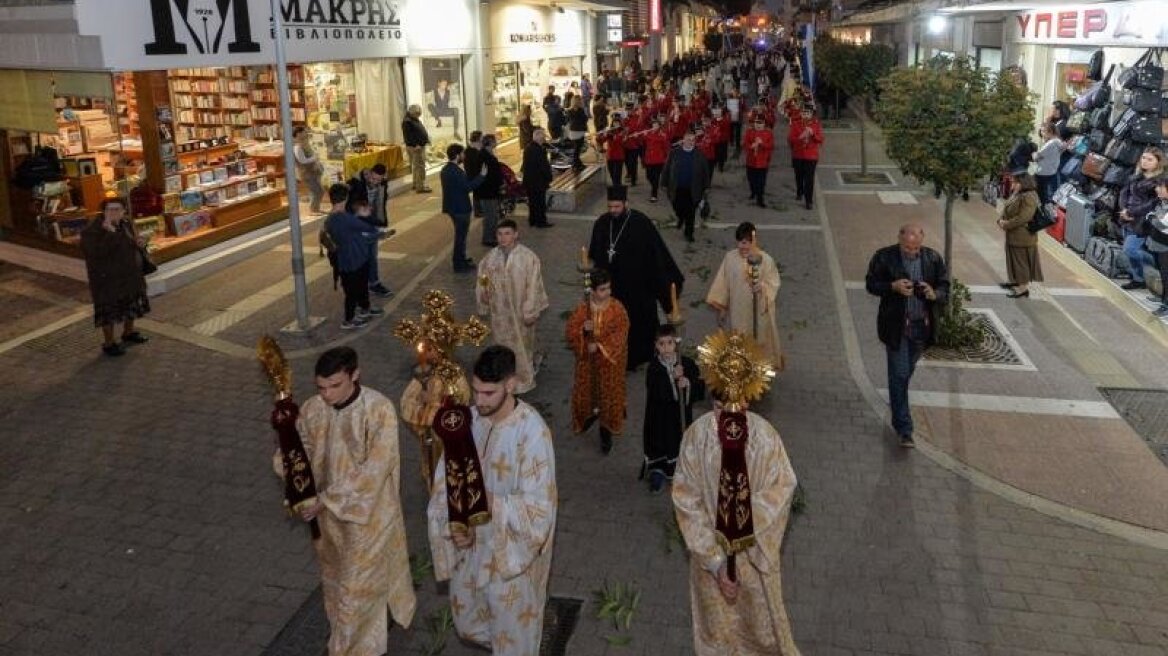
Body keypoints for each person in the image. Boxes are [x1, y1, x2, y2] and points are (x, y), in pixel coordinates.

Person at [277, 346, 416, 654]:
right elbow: (300, 455)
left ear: (355, 375)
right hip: (328, 522)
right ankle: (354, 642)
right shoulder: (313, 408)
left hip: (370, 519)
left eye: (334, 386)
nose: (326, 394)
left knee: (356, 592)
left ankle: (348, 650)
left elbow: (375, 470)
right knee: (338, 587)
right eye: (321, 387)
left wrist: (324, 499)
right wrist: (292, 465)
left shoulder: (378, 409)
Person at [427, 345, 557, 655]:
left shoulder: (532, 432)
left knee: (514, 640)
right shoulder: (468, 422)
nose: (478, 401)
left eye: (488, 393)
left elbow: (539, 509)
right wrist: (455, 523)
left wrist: (489, 501)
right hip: (472, 549)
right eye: (475, 391)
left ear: (511, 384)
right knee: (468, 624)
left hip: (510, 558)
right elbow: (445, 480)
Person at [671, 393, 801, 656]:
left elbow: (783, 487)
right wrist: (716, 561)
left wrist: (742, 522)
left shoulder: (765, 438)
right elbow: (686, 500)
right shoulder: (697, 438)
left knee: (762, 636)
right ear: (711, 404)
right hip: (711, 567)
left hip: (753, 561)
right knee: (718, 635)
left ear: (748, 404)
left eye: (738, 409)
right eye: (720, 408)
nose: (729, 419)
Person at [865, 224, 950, 448]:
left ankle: (897, 398)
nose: (911, 252)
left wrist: (934, 293)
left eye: (915, 248)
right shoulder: (884, 257)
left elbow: (945, 285)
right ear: (899, 240)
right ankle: (904, 428)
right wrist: (892, 286)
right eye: (907, 247)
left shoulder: (932, 258)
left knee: (904, 372)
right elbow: (871, 284)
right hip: (896, 327)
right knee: (900, 374)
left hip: (922, 327)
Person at [588, 185, 685, 370]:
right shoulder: (602, 223)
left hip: (637, 288)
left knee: (638, 326)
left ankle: (637, 358)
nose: (613, 211)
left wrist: (666, 292)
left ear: (626, 203)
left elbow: (656, 257)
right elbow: (596, 255)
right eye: (610, 207)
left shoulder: (640, 223)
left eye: (617, 207)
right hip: (611, 290)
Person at [476, 219, 549, 394]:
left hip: (520, 311)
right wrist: (483, 295)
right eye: (499, 234)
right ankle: (503, 377)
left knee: (522, 345)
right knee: (501, 345)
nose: (503, 238)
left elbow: (533, 285)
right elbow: (481, 280)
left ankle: (523, 377)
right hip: (500, 313)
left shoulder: (528, 258)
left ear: (516, 234)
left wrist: (530, 310)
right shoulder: (490, 258)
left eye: (507, 233)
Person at [565, 269, 630, 454]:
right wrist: (583, 333)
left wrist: (600, 347)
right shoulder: (583, 309)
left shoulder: (617, 309)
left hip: (610, 366)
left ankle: (606, 431)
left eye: (608, 288)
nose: (607, 292)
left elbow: (621, 334)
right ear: (592, 291)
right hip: (588, 364)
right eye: (602, 289)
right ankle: (587, 417)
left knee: (608, 397)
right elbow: (570, 332)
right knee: (587, 393)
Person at [80, 197, 151, 357]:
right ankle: (109, 343)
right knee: (108, 311)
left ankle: (128, 332)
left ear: (124, 211)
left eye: (118, 209)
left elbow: (130, 244)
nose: (114, 213)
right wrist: (109, 234)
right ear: (103, 212)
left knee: (131, 304)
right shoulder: (92, 230)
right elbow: (95, 254)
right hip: (107, 280)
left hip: (130, 276)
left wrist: (140, 243)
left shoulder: (126, 224)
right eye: (110, 210)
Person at [706, 222, 783, 367]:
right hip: (737, 311)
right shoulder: (730, 258)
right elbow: (723, 283)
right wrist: (722, 307)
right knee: (738, 342)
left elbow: (774, 283)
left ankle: (758, 376)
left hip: (759, 313)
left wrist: (762, 287)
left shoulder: (765, 260)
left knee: (758, 343)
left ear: (754, 241)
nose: (743, 247)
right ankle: (740, 374)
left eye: (746, 243)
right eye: (740, 243)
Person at [641, 323, 704, 493]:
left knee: (678, 440)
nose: (666, 348)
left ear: (676, 344)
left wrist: (688, 383)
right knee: (659, 441)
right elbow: (657, 390)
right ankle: (658, 471)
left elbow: (700, 387)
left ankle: (681, 472)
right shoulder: (654, 368)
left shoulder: (687, 364)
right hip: (659, 416)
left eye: (670, 343)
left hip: (678, 416)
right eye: (661, 344)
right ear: (656, 345)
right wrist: (673, 381)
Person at [399, 342, 471, 486]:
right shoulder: (428, 372)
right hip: (430, 439)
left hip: (446, 439)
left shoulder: (456, 378)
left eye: (430, 349)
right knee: (432, 467)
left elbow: (456, 410)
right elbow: (407, 402)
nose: (425, 354)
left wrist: (430, 403)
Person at [324, 185, 388, 329]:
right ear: (345, 198)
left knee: (358, 287)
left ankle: (365, 309)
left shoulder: (330, 219)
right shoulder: (345, 218)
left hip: (345, 259)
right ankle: (348, 320)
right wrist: (363, 215)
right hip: (355, 258)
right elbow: (368, 228)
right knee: (353, 291)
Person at [1118, 148, 1165, 291]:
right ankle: (1137, 278)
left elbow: (1153, 204)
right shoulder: (1137, 175)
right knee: (1129, 250)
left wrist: (1131, 211)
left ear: (1158, 162)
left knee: (1130, 250)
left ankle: (1142, 274)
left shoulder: (1160, 181)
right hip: (1127, 217)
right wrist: (1124, 209)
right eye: (1143, 157)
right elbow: (1123, 192)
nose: (1145, 161)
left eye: (1150, 159)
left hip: (1142, 221)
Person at [346, 164, 395, 298]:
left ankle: (374, 283)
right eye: (373, 179)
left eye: (378, 180)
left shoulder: (383, 183)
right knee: (360, 257)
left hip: (372, 223)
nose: (375, 182)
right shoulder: (356, 183)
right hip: (358, 225)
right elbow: (348, 204)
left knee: (372, 256)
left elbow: (380, 203)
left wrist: (380, 221)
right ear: (370, 174)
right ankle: (359, 287)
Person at [440, 143, 486, 273]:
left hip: (451, 207)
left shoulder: (445, 169)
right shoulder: (457, 171)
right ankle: (459, 263)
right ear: (457, 155)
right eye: (462, 153)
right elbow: (468, 187)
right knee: (461, 237)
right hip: (461, 208)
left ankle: (461, 259)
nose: (464, 156)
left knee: (460, 236)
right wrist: (481, 176)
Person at [995, 173, 1043, 299]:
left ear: (1023, 183)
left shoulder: (1029, 197)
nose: (1012, 184)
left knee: (1020, 262)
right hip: (1014, 234)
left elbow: (1024, 217)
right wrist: (1001, 220)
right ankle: (1015, 281)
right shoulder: (1018, 194)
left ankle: (1023, 289)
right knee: (1013, 259)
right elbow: (1007, 208)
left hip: (1023, 236)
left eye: (1015, 182)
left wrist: (1006, 224)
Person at [661, 131, 712, 243]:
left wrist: (706, 186)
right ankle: (681, 217)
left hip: (693, 189)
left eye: (693, 140)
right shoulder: (674, 153)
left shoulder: (700, 154)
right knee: (677, 207)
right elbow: (667, 168)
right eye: (688, 139)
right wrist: (664, 183)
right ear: (683, 140)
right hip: (677, 188)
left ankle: (689, 233)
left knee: (691, 212)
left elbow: (705, 172)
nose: (691, 142)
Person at [788, 104, 822, 210]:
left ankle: (809, 201)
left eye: (807, 113)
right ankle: (799, 191)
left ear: (811, 114)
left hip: (811, 156)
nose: (805, 115)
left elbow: (820, 139)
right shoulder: (795, 124)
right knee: (799, 176)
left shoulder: (816, 125)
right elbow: (790, 139)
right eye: (803, 113)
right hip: (798, 155)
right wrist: (800, 137)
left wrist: (813, 134)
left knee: (809, 179)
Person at [1144, 179, 1168, 316]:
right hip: (1159, 244)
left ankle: (1166, 304)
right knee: (1162, 273)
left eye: (1161, 187)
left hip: (1166, 246)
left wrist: (1152, 218)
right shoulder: (1162, 203)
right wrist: (1153, 217)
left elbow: (1163, 227)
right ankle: (1163, 297)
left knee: (1167, 275)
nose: (1157, 189)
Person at [521, 128, 554, 229]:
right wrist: (549, 177)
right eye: (543, 136)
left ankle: (533, 220)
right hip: (538, 181)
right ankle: (541, 222)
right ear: (538, 137)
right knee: (540, 202)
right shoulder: (539, 150)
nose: (544, 138)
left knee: (532, 201)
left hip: (530, 181)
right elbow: (543, 166)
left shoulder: (529, 147)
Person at [477, 134, 504, 247]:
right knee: (490, 216)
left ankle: (491, 237)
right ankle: (488, 238)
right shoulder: (484, 156)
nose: (496, 142)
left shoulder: (486, 154)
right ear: (490, 143)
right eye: (495, 141)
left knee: (493, 215)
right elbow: (489, 175)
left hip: (490, 191)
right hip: (488, 192)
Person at [743, 116, 774, 208]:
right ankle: (753, 192)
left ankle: (760, 199)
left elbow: (771, 146)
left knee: (761, 181)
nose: (758, 125)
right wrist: (751, 146)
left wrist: (762, 143)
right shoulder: (749, 132)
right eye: (757, 123)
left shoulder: (768, 133)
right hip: (751, 161)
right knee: (751, 179)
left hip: (763, 162)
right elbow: (745, 144)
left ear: (764, 124)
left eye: (760, 123)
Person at [292, 126, 324, 214]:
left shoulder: (305, 145)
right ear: (296, 136)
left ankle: (315, 209)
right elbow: (302, 161)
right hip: (306, 174)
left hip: (312, 172)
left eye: (304, 134)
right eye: (301, 134)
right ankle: (313, 209)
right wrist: (314, 158)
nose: (304, 136)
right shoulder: (298, 147)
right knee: (317, 191)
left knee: (317, 191)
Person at [402, 104, 433, 193]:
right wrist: (416, 145)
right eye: (417, 114)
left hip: (418, 146)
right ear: (412, 113)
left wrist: (426, 139)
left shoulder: (412, 119)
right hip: (416, 148)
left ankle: (416, 184)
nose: (418, 116)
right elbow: (408, 136)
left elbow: (418, 131)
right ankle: (420, 187)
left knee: (416, 167)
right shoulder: (407, 121)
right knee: (420, 166)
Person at [1032, 122, 1063, 204]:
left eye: (1044, 131)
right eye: (1041, 131)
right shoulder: (1059, 142)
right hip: (1051, 171)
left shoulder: (1050, 144)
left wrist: (1034, 154)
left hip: (1042, 172)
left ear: (1051, 132)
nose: (1042, 134)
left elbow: (1036, 158)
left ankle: (1042, 211)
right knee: (1045, 192)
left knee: (1041, 194)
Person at [642, 116, 670, 203]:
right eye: (653, 125)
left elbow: (666, 147)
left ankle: (654, 194)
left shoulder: (662, 135)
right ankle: (655, 186)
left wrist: (666, 158)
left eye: (656, 125)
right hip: (649, 159)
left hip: (658, 159)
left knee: (656, 177)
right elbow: (640, 141)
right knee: (649, 176)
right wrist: (638, 135)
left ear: (659, 126)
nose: (654, 127)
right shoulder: (648, 134)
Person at [598, 115, 627, 187]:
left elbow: (622, 142)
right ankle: (616, 187)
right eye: (614, 123)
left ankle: (617, 187)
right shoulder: (609, 131)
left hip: (619, 156)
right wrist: (602, 134)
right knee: (611, 173)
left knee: (617, 174)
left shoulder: (623, 132)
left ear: (620, 124)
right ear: (612, 123)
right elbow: (601, 141)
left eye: (617, 123)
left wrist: (616, 136)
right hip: (610, 156)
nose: (616, 124)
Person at [463, 130, 485, 218]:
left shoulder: (473, 149)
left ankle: (479, 210)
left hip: (475, 174)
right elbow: (473, 166)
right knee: (477, 193)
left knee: (478, 193)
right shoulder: (470, 151)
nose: (482, 140)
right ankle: (478, 211)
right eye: (481, 138)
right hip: (474, 175)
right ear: (477, 139)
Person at [566, 95, 589, 170]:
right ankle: (575, 164)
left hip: (576, 130)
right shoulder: (578, 110)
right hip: (577, 131)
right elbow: (584, 119)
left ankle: (577, 164)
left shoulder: (570, 111)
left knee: (577, 149)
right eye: (579, 100)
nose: (581, 101)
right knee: (577, 149)